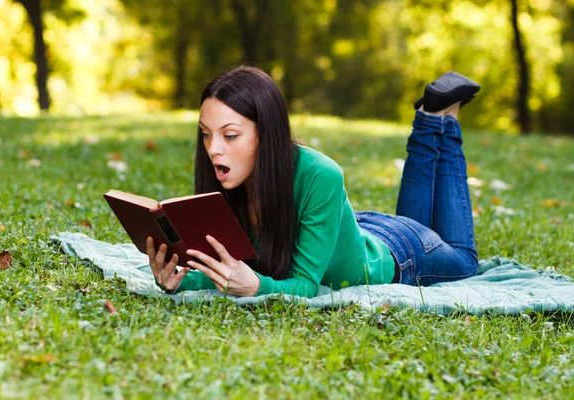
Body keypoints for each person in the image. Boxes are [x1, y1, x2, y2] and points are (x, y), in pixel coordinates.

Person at [146, 66, 481, 298]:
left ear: (268, 133)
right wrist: (177, 280)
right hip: (350, 229)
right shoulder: (227, 180)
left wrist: (257, 288)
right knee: (420, 224)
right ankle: (430, 120)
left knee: (465, 260)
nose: (213, 149)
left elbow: (305, 286)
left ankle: (436, 120)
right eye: (206, 135)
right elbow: (226, 271)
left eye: (230, 135)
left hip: (400, 253)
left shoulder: (321, 174)